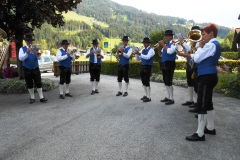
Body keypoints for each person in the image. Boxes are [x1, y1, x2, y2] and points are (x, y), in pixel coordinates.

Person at [178, 24, 220, 141]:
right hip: (210, 75)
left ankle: (200, 133)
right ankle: (210, 128)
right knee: (208, 103)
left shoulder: (210, 45)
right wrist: (185, 54)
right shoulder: (213, 44)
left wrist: (200, 46)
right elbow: (197, 56)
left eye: (204, 34)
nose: (202, 37)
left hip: (206, 76)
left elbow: (197, 58)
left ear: (211, 33)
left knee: (201, 105)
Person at [19, 35, 48, 104]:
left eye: (31, 41)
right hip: (27, 68)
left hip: (35, 68)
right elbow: (21, 58)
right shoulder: (22, 49)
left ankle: (41, 97)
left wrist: (37, 53)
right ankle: (32, 97)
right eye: (28, 41)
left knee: (38, 82)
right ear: (26, 41)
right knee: (29, 83)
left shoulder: (35, 48)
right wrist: (26, 52)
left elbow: (39, 58)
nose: (30, 42)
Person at [181, 26, 201, 106]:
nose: (194, 35)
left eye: (196, 32)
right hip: (189, 63)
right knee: (190, 82)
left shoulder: (199, 42)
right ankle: (190, 100)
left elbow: (194, 49)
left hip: (196, 65)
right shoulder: (190, 42)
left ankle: (197, 102)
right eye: (193, 32)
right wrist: (183, 46)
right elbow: (188, 51)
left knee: (196, 84)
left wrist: (183, 43)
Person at [158, 30, 177, 105]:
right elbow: (161, 55)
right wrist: (159, 48)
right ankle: (168, 96)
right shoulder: (166, 44)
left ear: (170, 36)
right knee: (165, 81)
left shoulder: (174, 44)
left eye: (166, 36)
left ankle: (171, 98)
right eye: (165, 36)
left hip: (170, 64)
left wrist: (162, 45)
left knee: (169, 81)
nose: (165, 37)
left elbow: (169, 51)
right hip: (164, 63)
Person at [135, 37, 155, 102]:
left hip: (148, 67)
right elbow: (139, 59)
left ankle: (149, 97)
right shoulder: (143, 50)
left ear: (148, 43)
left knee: (147, 81)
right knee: (143, 82)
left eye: (146, 43)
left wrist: (140, 53)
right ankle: (146, 95)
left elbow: (147, 57)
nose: (145, 44)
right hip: (143, 66)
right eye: (144, 43)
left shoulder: (151, 50)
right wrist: (136, 54)